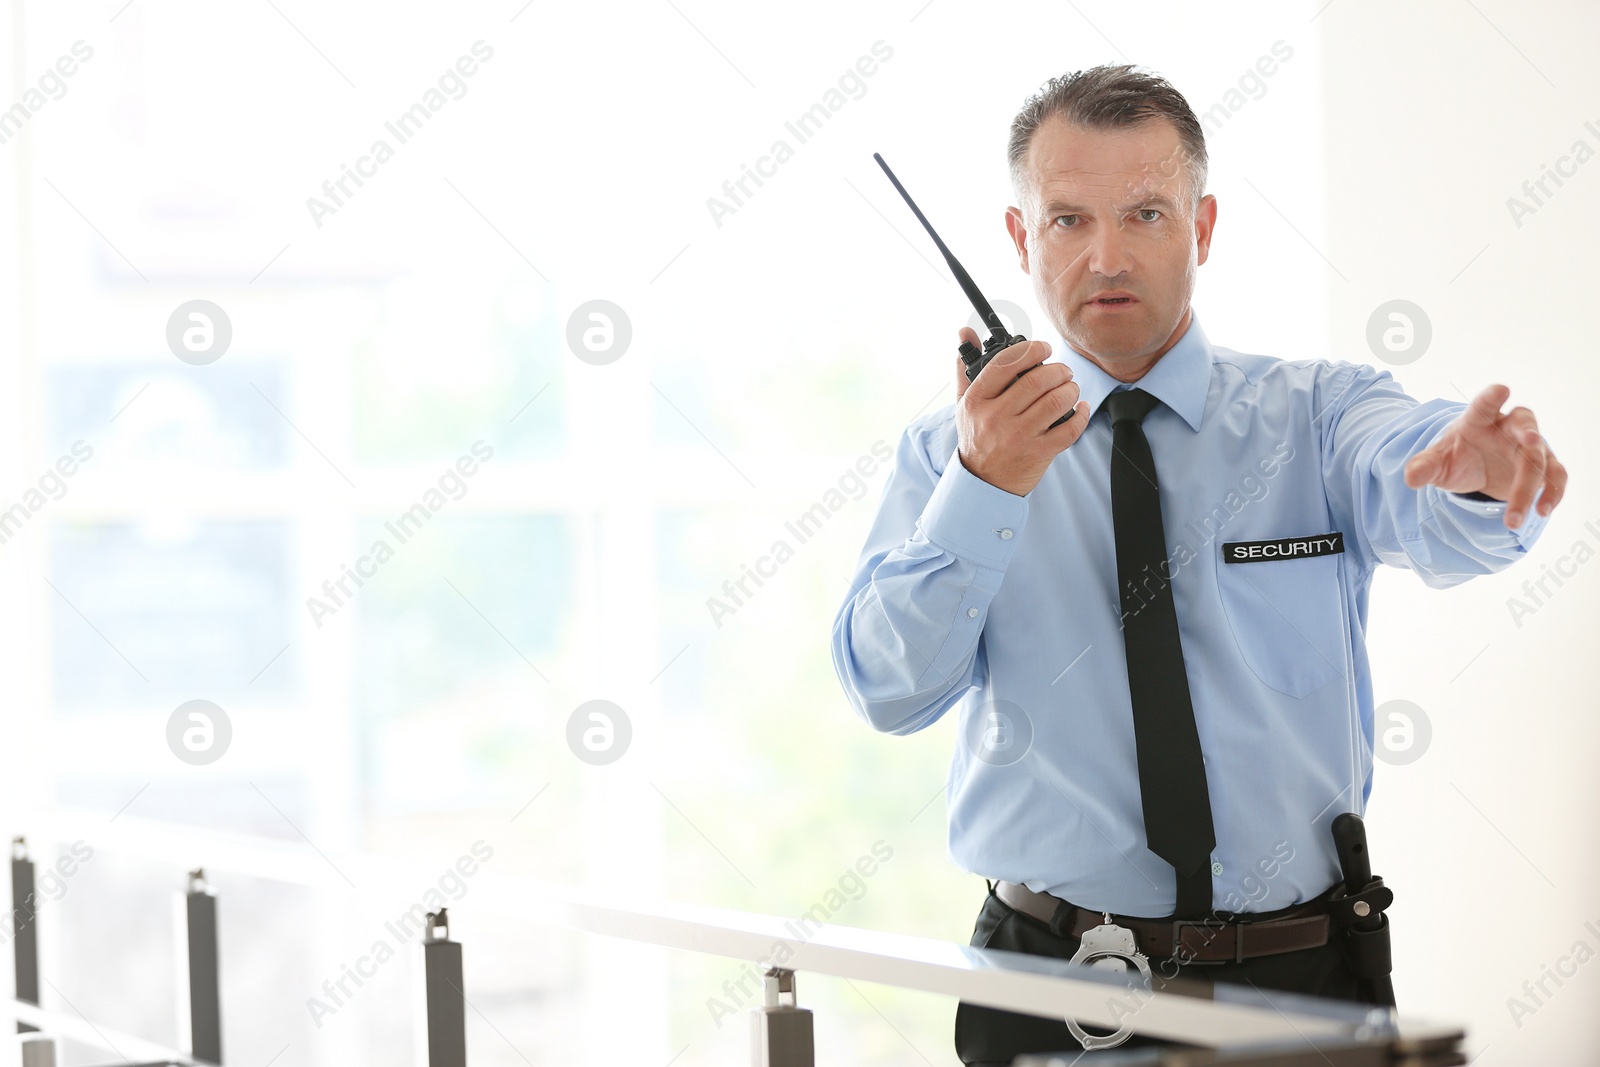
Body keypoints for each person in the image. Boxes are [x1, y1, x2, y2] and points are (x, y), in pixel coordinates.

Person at [830, 63, 1566, 1065]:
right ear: (1018, 239)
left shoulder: (1316, 414)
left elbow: (1414, 473)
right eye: (1066, 221)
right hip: (1047, 977)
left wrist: (1477, 476)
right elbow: (888, 687)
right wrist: (986, 484)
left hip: (1302, 978)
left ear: (1203, 226)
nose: (1104, 256)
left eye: (1144, 213)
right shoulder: (946, 455)